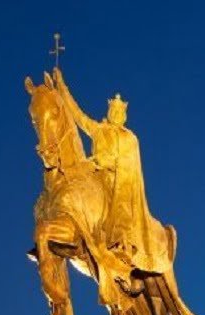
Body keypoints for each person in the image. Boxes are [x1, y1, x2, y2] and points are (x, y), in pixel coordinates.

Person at [52, 68, 167, 270]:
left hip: (120, 182)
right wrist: (62, 87)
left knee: (121, 199)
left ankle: (122, 244)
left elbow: (127, 166)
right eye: (113, 110)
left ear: (124, 115)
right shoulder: (99, 130)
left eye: (119, 111)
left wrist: (100, 162)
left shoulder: (129, 138)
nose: (116, 114)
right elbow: (78, 115)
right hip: (96, 175)